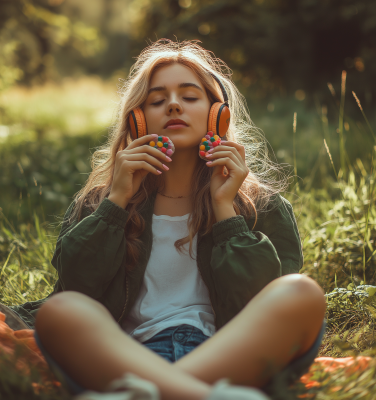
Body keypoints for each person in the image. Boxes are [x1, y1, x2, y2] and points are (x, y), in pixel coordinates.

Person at [30, 40, 326, 400]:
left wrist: (224, 209)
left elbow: (259, 303)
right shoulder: (100, 202)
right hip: (126, 357)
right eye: (157, 101)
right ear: (138, 121)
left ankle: (147, 394)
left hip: (228, 358)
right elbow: (75, 284)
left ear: (218, 115)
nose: (172, 105)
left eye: (189, 96)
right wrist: (117, 201)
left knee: (301, 292)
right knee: (60, 310)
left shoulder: (262, 206)